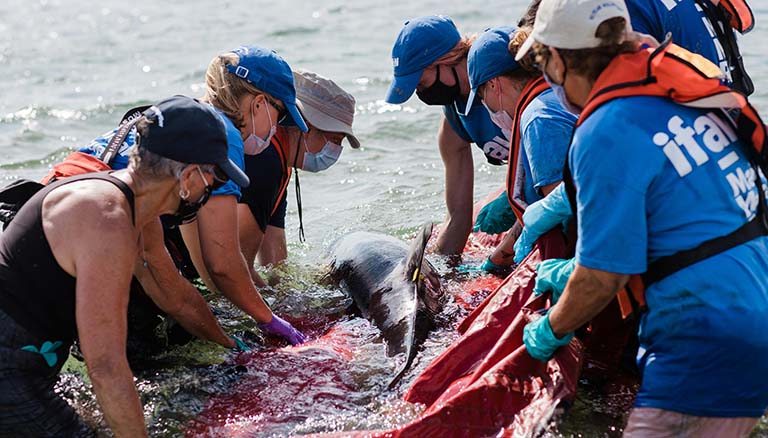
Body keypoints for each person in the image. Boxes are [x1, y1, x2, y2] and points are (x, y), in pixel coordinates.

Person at [516, 0, 768, 435]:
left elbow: (602, 278)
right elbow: (693, 221)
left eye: (541, 63)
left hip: (705, 331)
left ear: (558, 58)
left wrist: (550, 330)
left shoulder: (607, 128)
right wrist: (575, 268)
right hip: (755, 304)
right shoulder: (683, 90)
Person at [0, 96, 247, 436]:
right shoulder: (108, 220)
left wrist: (232, 346)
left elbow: (173, 294)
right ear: (189, 175)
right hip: (10, 368)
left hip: (32, 361)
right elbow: (106, 366)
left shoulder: (136, 209)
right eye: (215, 178)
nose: (212, 188)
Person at [53, 45, 307, 347]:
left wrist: (226, 329)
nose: (277, 128)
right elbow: (223, 264)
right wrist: (270, 319)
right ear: (259, 103)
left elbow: (200, 269)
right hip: (92, 229)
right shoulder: (219, 138)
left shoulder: (182, 117)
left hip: (57, 212)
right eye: (279, 114)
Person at [385, 16, 512, 255]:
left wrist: (518, 197)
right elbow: (458, 217)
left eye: (420, 83)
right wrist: (442, 272)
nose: (421, 94)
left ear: (446, 59)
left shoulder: (503, 73)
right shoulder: (454, 122)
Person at [463, 25, 576, 272]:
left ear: (493, 84)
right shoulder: (556, 94)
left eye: (482, 97)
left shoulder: (538, 118)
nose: (487, 107)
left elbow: (563, 211)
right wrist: (503, 250)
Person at [242, 69, 360, 272]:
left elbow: (274, 259)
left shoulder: (282, 164)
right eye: (334, 140)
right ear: (304, 124)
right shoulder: (265, 160)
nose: (335, 151)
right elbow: (237, 267)